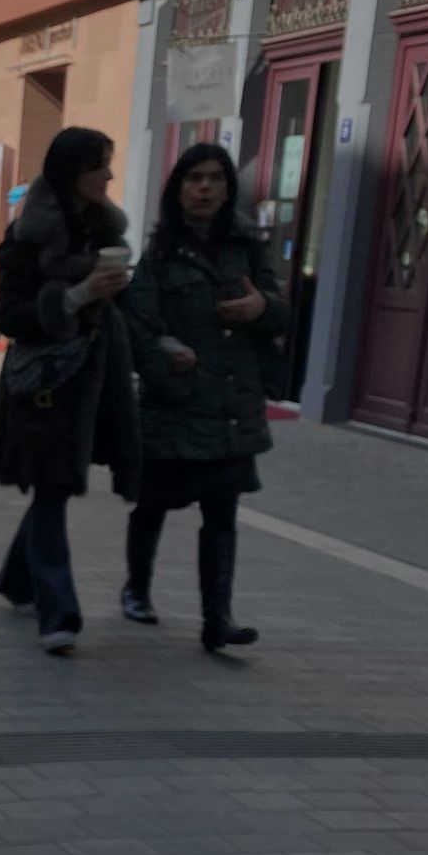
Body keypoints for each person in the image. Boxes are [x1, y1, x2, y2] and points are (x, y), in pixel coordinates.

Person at [121, 142, 286, 651]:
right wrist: (169, 357)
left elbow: (282, 313)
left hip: (232, 407)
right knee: (152, 506)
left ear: (228, 188)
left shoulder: (247, 245)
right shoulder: (162, 254)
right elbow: (138, 328)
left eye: (215, 178)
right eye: (194, 179)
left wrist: (262, 307)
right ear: (178, 189)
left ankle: (218, 619)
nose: (205, 188)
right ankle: (137, 589)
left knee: (222, 516)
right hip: (176, 404)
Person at [0, 126, 139, 657]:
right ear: (74, 171)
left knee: (56, 487)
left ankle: (16, 579)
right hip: (42, 382)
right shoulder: (28, 237)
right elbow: (11, 317)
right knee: (52, 487)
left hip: (95, 382)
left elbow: (120, 309)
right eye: (101, 165)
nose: (110, 175)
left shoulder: (104, 231)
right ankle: (58, 612)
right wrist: (77, 295)